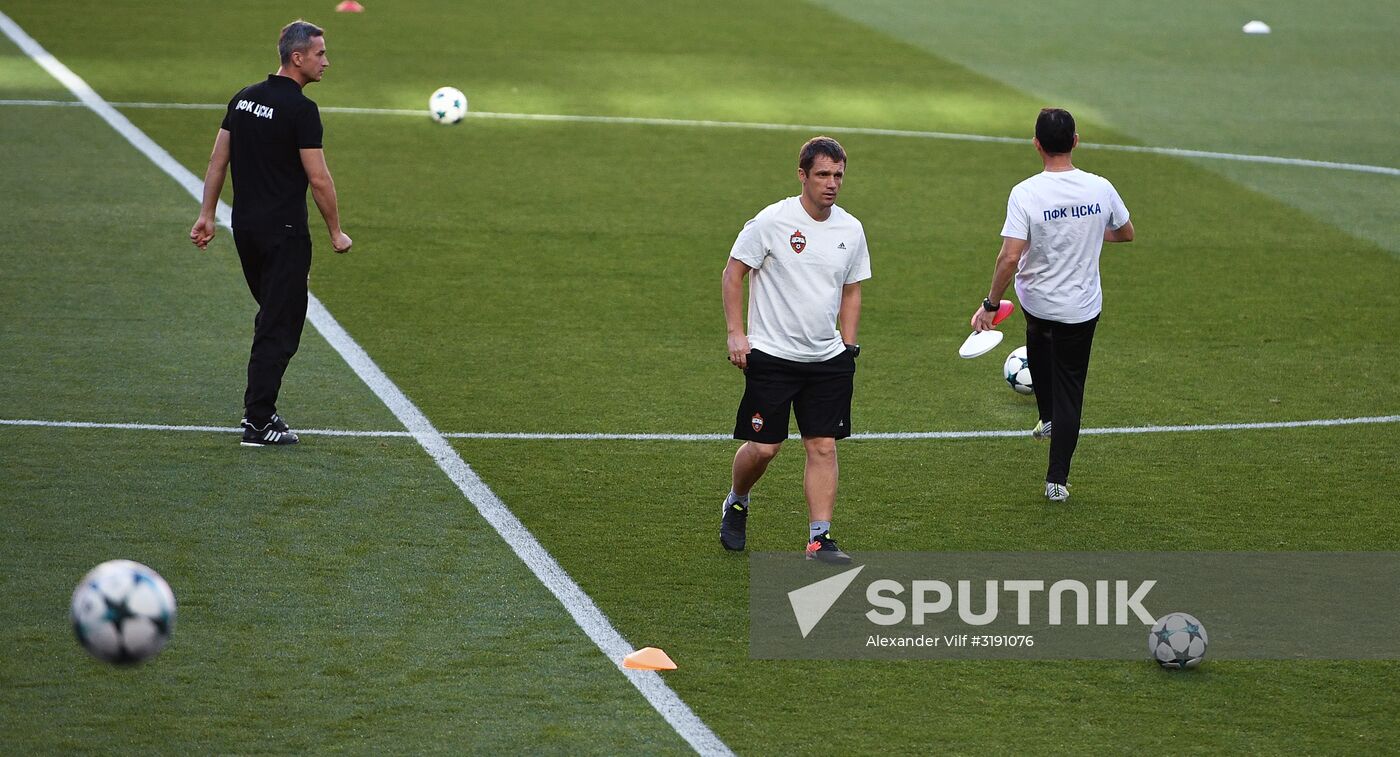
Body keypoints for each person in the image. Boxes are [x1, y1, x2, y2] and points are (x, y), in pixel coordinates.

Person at [190, 19, 352, 447]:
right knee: (279, 327)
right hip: (284, 233)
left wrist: (208, 214)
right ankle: (258, 421)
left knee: (275, 317)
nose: (326, 62)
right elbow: (319, 179)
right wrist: (336, 231)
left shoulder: (244, 99)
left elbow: (216, 160)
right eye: (320, 54)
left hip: (245, 228)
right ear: (296, 58)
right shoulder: (302, 111)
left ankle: (263, 413)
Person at [970, 108, 1134, 501]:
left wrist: (990, 303)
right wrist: (1088, 232)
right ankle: (1056, 480)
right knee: (1070, 389)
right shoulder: (1099, 187)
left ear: (1037, 145)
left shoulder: (1026, 192)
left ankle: (1047, 418)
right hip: (1081, 308)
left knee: (1039, 346)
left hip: (1037, 302)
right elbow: (1125, 232)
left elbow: (1009, 257)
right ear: (1075, 142)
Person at [720, 136, 871, 564]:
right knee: (765, 448)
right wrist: (736, 333)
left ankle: (819, 539)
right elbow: (733, 274)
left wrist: (849, 342)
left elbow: (852, 288)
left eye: (838, 175)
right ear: (802, 175)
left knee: (823, 446)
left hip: (827, 359)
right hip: (770, 355)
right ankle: (737, 500)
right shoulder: (771, 221)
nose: (832, 183)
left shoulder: (851, 228)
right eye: (823, 174)